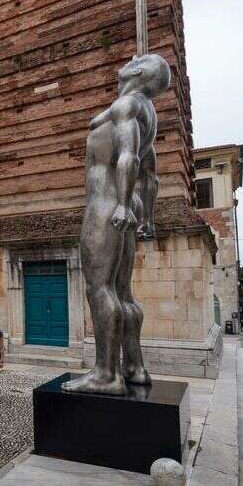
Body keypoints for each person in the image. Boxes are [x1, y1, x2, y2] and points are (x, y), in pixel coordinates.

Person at [62, 54, 170, 395]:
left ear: (137, 71)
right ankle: (134, 366)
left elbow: (130, 157)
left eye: (135, 60)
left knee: (99, 287)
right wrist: (145, 216)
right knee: (123, 292)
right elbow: (151, 174)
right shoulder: (146, 112)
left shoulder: (125, 105)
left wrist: (123, 204)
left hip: (107, 203)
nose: (128, 61)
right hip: (127, 204)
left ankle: (105, 375)